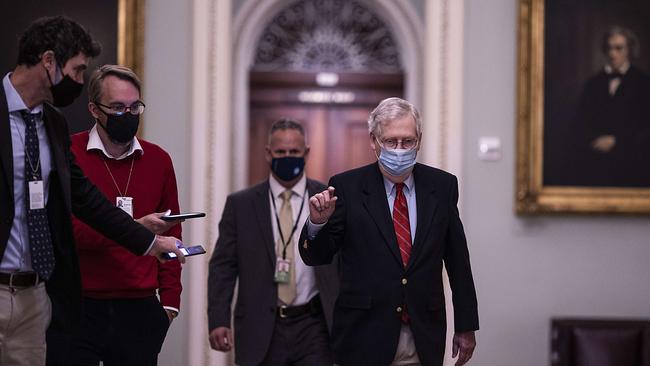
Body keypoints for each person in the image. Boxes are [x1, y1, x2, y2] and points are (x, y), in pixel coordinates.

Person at [0, 16, 185, 366]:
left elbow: (89, 203)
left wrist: (149, 243)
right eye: (78, 69)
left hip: (34, 296)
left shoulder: (51, 122)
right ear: (49, 61)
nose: (80, 80)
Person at [300, 97, 479, 366]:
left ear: (419, 140)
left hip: (422, 332)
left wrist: (466, 326)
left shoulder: (441, 186)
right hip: (363, 334)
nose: (399, 149)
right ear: (373, 141)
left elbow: (457, 260)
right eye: (391, 141)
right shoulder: (347, 187)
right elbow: (318, 256)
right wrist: (317, 223)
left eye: (407, 141)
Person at [63, 64, 183, 365]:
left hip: (139, 308)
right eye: (117, 107)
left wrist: (169, 305)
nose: (127, 116)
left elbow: (172, 235)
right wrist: (135, 229)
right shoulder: (70, 153)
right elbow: (67, 232)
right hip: (80, 305)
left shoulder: (158, 160)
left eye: (134, 107)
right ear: (94, 109)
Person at [208, 119, 339, 366]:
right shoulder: (241, 205)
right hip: (260, 326)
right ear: (268, 153)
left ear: (306, 153)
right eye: (281, 152)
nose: (287, 157)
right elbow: (223, 266)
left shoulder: (328, 200)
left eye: (294, 152)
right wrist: (218, 319)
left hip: (314, 325)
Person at [573, 25, 650, 187]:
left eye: (619, 48)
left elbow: (645, 126)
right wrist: (595, 139)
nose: (612, 53)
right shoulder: (592, 84)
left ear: (629, 50)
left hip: (632, 164)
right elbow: (580, 122)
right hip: (597, 164)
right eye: (609, 48)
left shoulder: (643, 83)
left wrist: (617, 141)